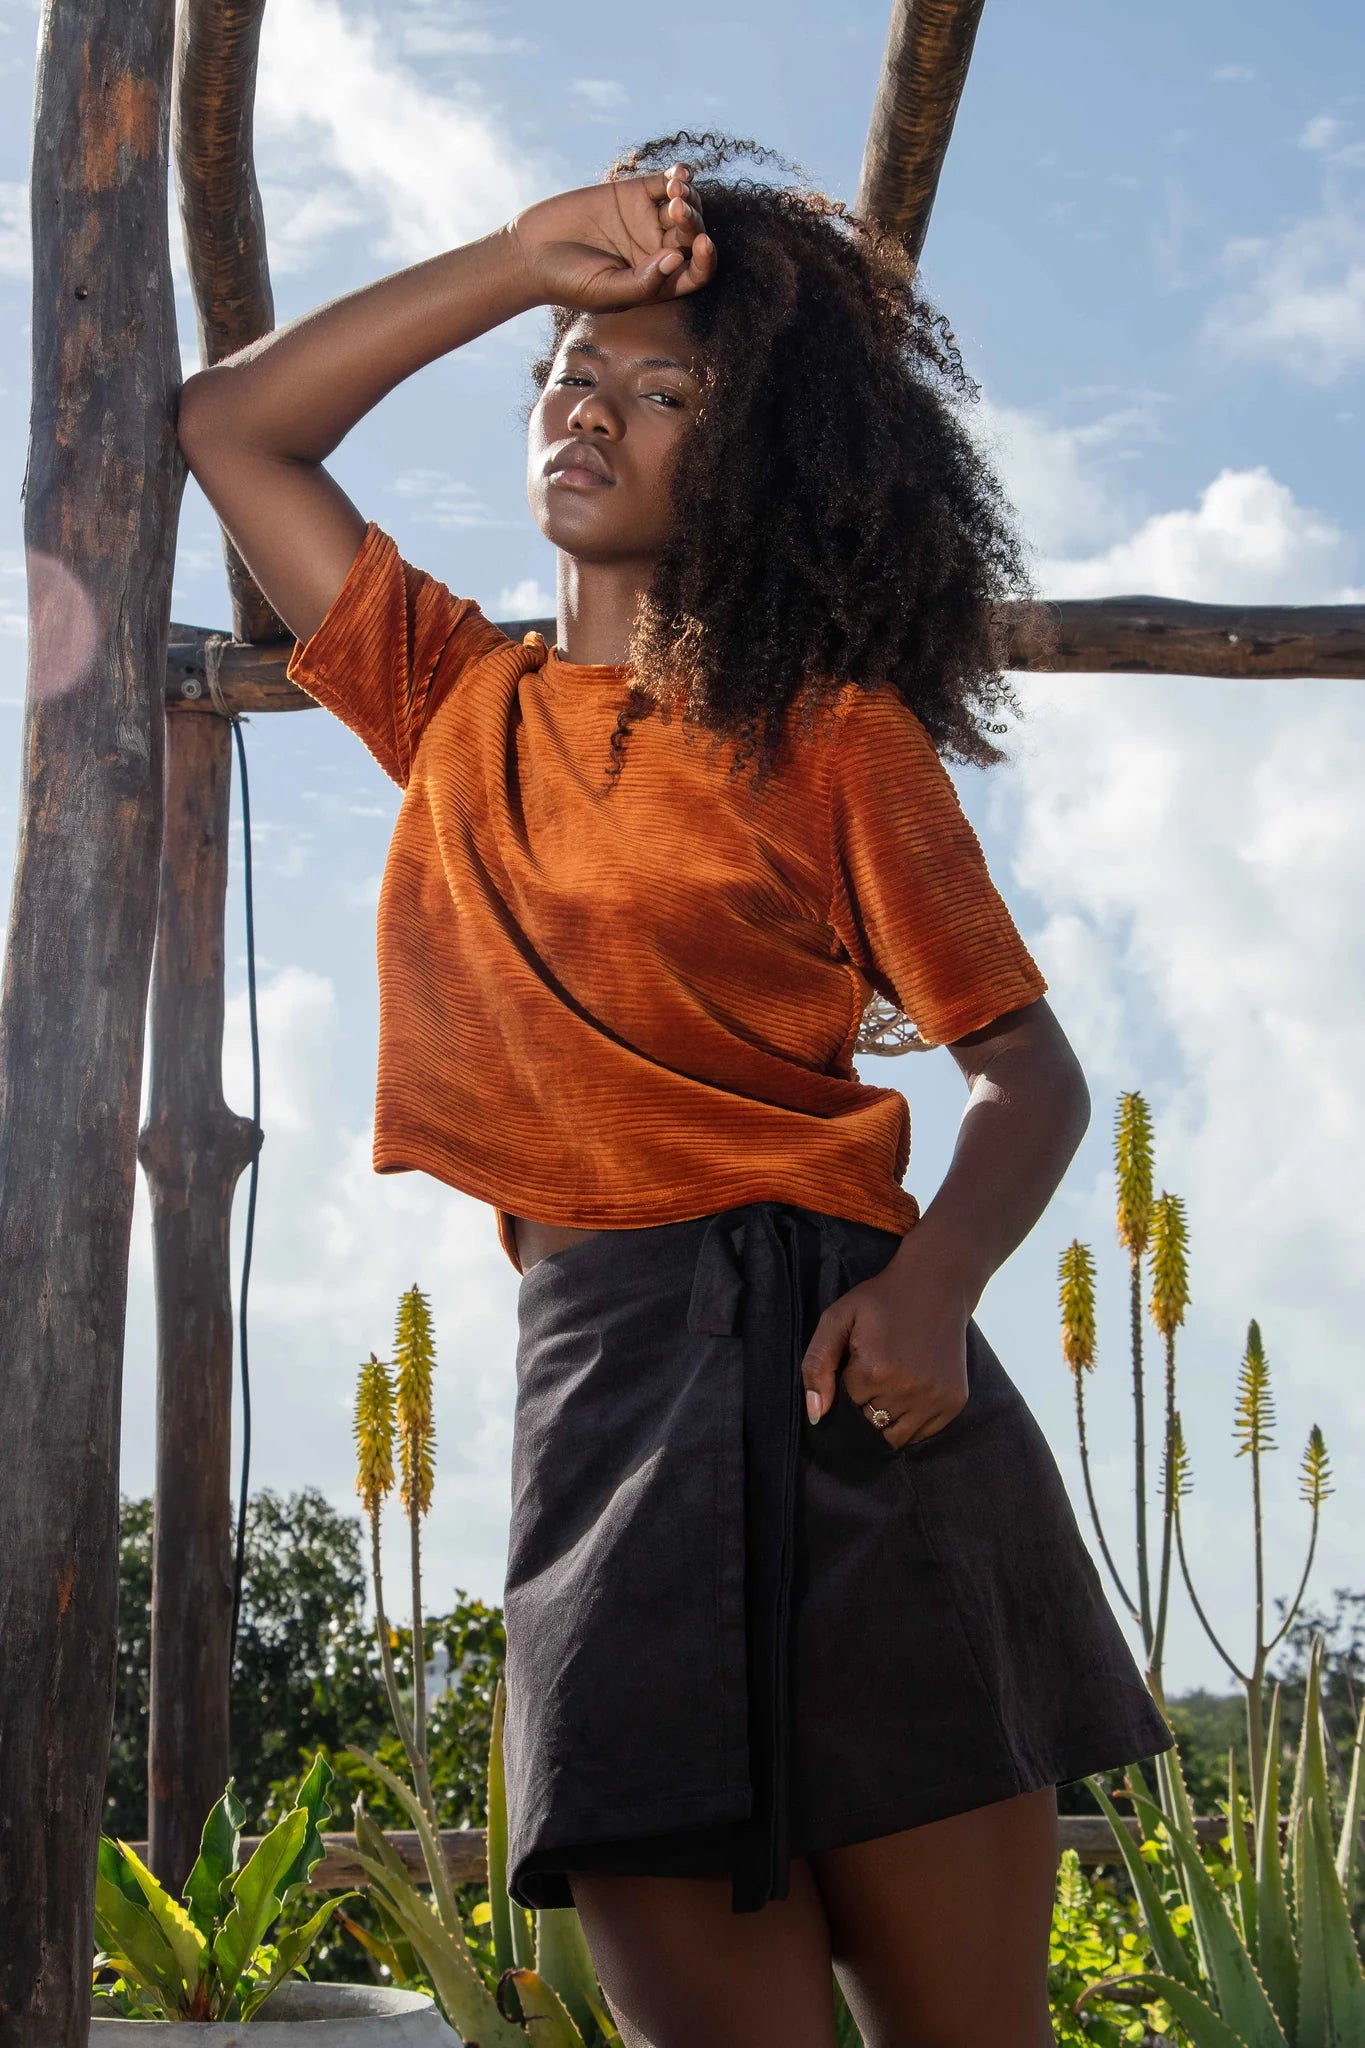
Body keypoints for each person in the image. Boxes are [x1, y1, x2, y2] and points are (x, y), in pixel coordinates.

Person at [177, 131, 1172, 2048]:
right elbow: (230, 427)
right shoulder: (445, 697)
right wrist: (524, 258)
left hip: (853, 1393)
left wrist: (941, 1288)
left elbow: (1025, 1072)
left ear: (757, 457)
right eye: (573, 377)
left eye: (663, 394)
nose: (591, 413)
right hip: (603, 1396)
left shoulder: (835, 739)